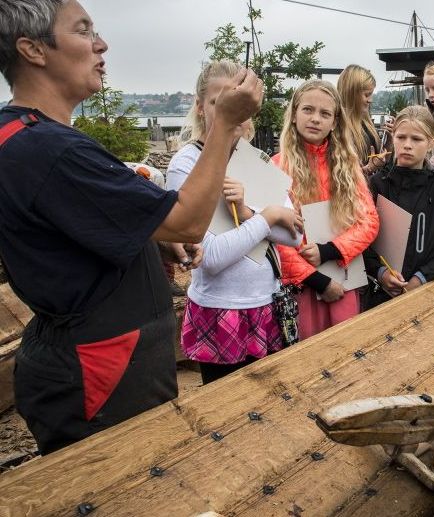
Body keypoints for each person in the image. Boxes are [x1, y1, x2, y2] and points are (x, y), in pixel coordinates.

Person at [0, 0, 262, 454]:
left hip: (90, 357)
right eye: (83, 31)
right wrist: (225, 124)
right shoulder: (52, 150)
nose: (101, 44)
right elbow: (189, 221)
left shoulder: (20, 134)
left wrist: (151, 241)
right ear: (32, 49)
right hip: (104, 365)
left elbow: (72, 232)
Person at [167, 61, 303, 384]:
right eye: (217, 101)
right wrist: (269, 216)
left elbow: (295, 235)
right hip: (221, 310)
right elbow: (210, 258)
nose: (229, 109)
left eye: (236, 99)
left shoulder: (255, 159)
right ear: (200, 107)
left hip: (267, 305)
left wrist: (247, 214)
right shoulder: (187, 163)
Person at [272, 80, 379, 339]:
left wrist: (329, 251)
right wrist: (316, 280)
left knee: (346, 348)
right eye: (308, 110)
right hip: (300, 285)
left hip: (341, 276)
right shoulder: (278, 166)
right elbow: (275, 236)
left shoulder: (347, 167)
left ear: (334, 122)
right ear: (294, 114)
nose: (315, 119)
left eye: (325, 113)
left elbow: (369, 221)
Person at [363, 106, 434, 308]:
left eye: (416, 139)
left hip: (426, 293)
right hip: (379, 292)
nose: (407, 145)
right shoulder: (378, 185)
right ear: (393, 138)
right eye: (401, 137)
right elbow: (362, 241)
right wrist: (381, 272)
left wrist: (422, 277)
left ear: (430, 143)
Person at [337, 64, 390, 177]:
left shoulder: (365, 124)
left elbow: (383, 160)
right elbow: (339, 176)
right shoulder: (337, 129)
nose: (370, 100)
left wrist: (390, 138)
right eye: (367, 95)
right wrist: (369, 169)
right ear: (351, 93)